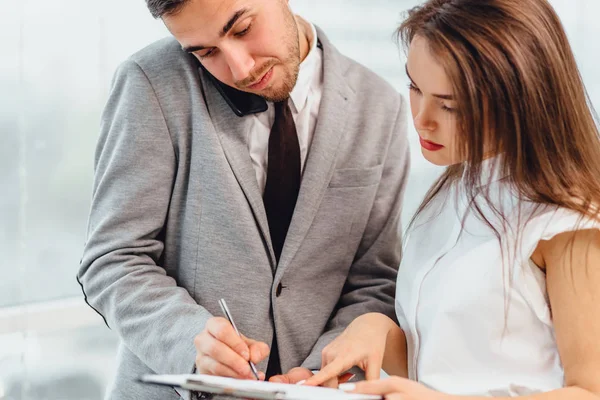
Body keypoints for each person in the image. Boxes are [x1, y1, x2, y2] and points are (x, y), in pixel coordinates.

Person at [77, 0, 411, 398]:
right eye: (206, 52)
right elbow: (113, 259)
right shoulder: (150, 82)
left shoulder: (380, 106)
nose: (240, 68)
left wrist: (321, 372)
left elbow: (375, 280)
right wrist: (190, 339)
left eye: (242, 29)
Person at [305, 0, 600, 398]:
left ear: (522, 100)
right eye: (414, 87)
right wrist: (377, 331)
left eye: (450, 105)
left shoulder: (567, 221)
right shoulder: (451, 191)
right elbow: (452, 362)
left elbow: (590, 389)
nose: (422, 118)